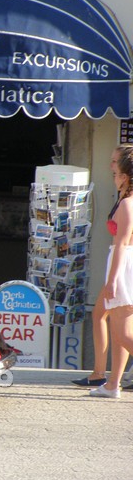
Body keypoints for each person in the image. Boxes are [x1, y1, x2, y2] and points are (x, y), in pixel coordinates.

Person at [90, 145, 133, 398]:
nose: (112, 171)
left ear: (125, 175)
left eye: (116, 168)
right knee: (120, 331)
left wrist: (112, 280)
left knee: (123, 333)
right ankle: (112, 384)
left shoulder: (127, 204)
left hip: (124, 267)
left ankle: (110, 382)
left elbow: (121, 245)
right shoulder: (125, 201)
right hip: (124, 265)